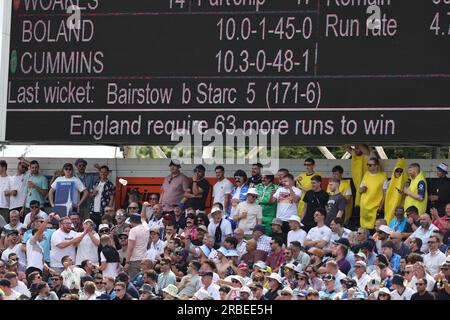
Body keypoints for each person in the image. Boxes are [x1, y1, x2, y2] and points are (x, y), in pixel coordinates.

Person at [359, 157, 387, 230]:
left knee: (375, 229)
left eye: (370, 165)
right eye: (367, 164)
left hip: (375, 208)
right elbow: (360, 190)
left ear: (376, 166)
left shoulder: (383, 177)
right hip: (364, 208)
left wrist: (380, 207)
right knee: (364, 229)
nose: (368, 166)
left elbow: (385, 194)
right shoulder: (366, 175)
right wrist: (362, 189)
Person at [125, 213, 150, 279]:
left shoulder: (133, 230)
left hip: (134, 260)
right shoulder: (146, 228)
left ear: (132, 221)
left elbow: (130, 248)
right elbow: (144, 218)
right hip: (144, 259)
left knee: (134, 282)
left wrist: (127, 262)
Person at [383, 158, 408, 224]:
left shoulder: (407, 183)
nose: (399, 173)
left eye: (401, 171)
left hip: (401, 207)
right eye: (397, 171)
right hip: (389, 207)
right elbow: (385, 195)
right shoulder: (388, 183)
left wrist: (403, 193)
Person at [0, 160, 11, 224]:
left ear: (4, 168)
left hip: (5, 207)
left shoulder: (10, 179)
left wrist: (8, 193)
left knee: (4, 226)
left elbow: (14, 192)